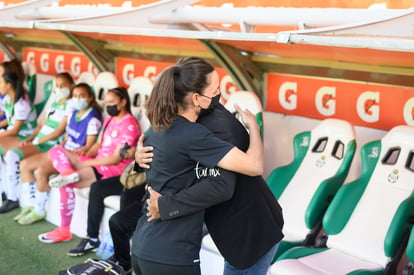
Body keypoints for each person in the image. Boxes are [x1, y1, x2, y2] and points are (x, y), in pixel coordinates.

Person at [130, 57, 264, 275]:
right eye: (216, 89)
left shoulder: (159, 124)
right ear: (196, 98)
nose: (220, 95)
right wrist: (254, 128)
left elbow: (153, 160)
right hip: (171, 255)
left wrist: (137, 161)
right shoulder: (195, 135)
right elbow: (255, 166)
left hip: (143, 246)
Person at [142, 102, 284, 275]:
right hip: (230, 227)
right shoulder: (181, 125)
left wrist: (165, 206)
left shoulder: (214, 127)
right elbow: (164, 157)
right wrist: (138, 159)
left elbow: (222, 185)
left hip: (249, 231)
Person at [38, 87, 140, 244]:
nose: (108, 105)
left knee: (67, 182)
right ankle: (66, 171)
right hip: (96, 162)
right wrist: (84, 152)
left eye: (112, 102)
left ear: (123, 102)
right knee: (57, 150)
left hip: (111, 169)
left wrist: (87, 162)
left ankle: (64, 230)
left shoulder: (130, 124)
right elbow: (98, 144)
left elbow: (114, 159)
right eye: (106, 102)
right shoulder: (109, 120)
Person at [16, 83, 102, 224]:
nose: (78, 99)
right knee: (25, 164)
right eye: (75, 96)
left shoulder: (93, 118)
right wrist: (61, 146)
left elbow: (88, 146)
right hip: (61, 151)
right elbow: (67, 137)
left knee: (41, 171)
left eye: (82, 96)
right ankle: (29, 205)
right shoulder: (73, 113)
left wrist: (68, 152)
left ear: (90, 98)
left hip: (72, 158)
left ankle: (39, 210)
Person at [0, 72, 75, 214]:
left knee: (14, 157)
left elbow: (59, 131)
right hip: (37, 140)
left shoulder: (71, 106)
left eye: (62, 86)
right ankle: (20, 200)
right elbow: (41, 125)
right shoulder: (56, 102)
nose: (59, 89)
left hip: (50, 144)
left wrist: (38, 140)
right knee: (13, 156)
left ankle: (14, 198)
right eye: (57, 86)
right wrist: (31, 138)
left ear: (71, 86)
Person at [66, 146, 136, 257]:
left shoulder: (170, 135)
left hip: (151, 176)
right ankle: (92, 238)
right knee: (97, 188)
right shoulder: (151, 132)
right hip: (136, 171)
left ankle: (124, 251)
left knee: (128, 195)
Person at [0, 71, 37, 211]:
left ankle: (12, 198)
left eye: (1, 83)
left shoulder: (22, 102)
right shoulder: (8, 99)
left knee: (11, 156)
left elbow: (15, 130)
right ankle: (3, 190)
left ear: (9, 85)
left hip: (25, 137)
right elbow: (6, 120)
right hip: (15, 135)